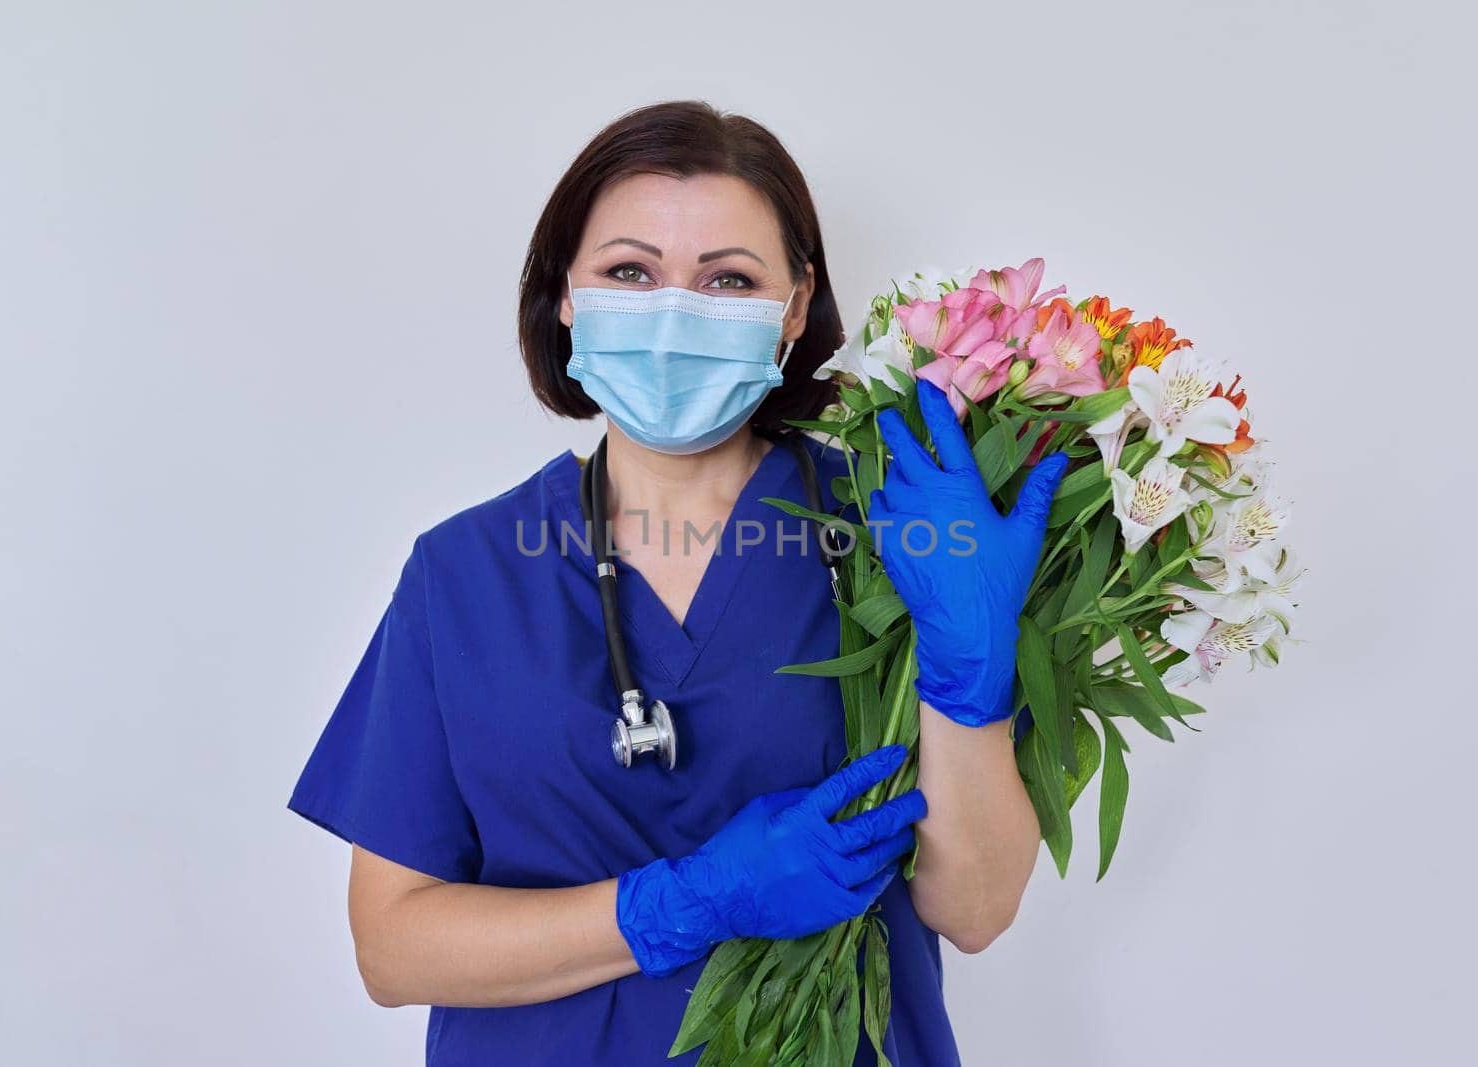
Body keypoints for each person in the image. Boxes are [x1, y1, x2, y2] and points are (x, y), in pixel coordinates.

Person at [286, 99, 1068, 1066]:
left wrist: (969, 679)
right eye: (629, 271)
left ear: (793, 305)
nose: (673, 316)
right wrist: (686, 899)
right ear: (566, 293)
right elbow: (393, 948)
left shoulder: (900, 536)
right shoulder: (467, 572)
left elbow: (978, 908)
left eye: (728, 279)